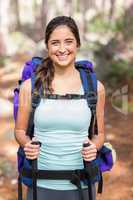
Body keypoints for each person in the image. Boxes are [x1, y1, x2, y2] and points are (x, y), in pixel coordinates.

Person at [15, 16, 105, 200]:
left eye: (69, 42)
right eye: (55, 43)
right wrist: (27, 144)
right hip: (40, 182)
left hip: (82, 183)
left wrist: (94, 147)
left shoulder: (95, 87)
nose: (62, 49)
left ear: (78, 44)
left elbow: (99, 134)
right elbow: (20, 130)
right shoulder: (30, 87)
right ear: (47, 46)